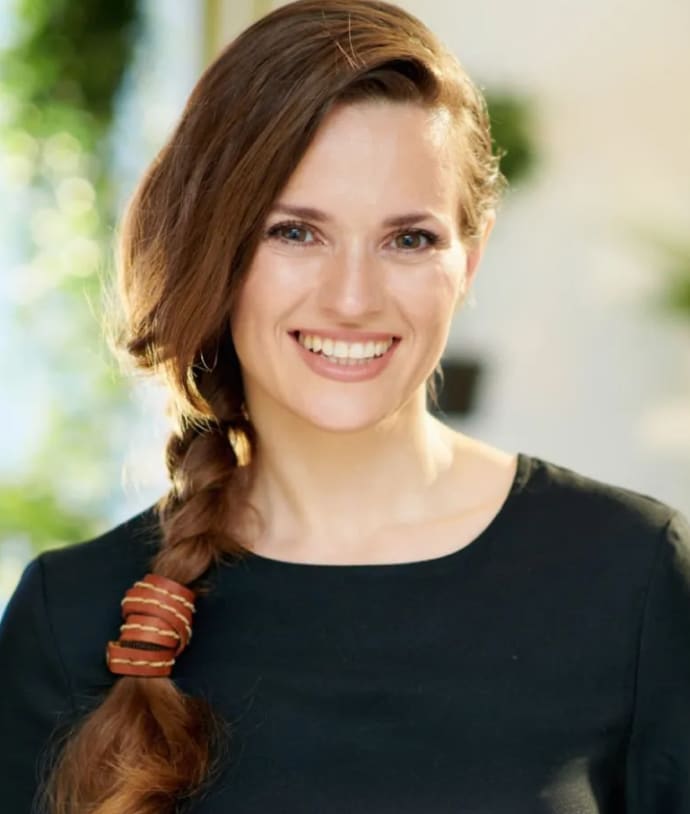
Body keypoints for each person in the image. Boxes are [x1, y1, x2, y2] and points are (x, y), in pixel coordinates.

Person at [1, 0, 688, 811]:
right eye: (296, 232)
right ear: (214, 245)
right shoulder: (71, 617)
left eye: (409, 239)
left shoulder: (626, 575)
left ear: (471, 257)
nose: (353, 297)